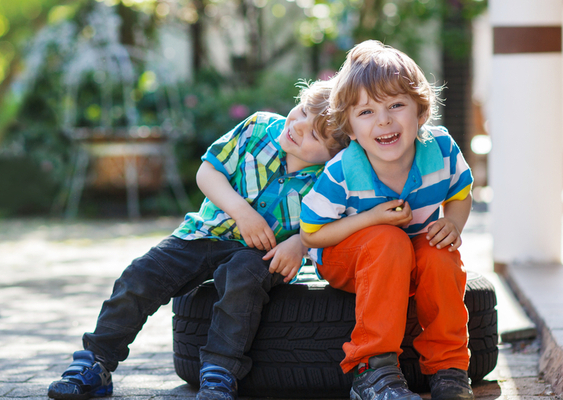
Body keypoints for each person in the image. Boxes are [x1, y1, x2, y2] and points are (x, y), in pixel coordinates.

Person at [47, 79, 344, 400]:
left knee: (242, 285)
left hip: (259, 254)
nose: (298, 126)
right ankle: (96, 362)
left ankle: (219, 375)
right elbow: (207, 172)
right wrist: (241, 213)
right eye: (300, 111)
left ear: (333, 154)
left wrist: (299, 244)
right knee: (141, 275)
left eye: (313, 133)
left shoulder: (329, 177)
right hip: (205, 232)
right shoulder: (258, 129)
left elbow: (330, 224)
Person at [299, 40, 475, 400]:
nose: (384, 120)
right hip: (347, 259)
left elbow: (460, 193)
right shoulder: (341, 173)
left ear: (421, 112)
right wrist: (370, 220)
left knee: (440, 252)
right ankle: (373, 371)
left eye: (396, 105)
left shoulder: (440, 150)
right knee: (386, 239)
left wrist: (453, 224)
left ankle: (449, 368)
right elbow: (312, 234)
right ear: (349, 127)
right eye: (366, 112)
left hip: (408, 258)